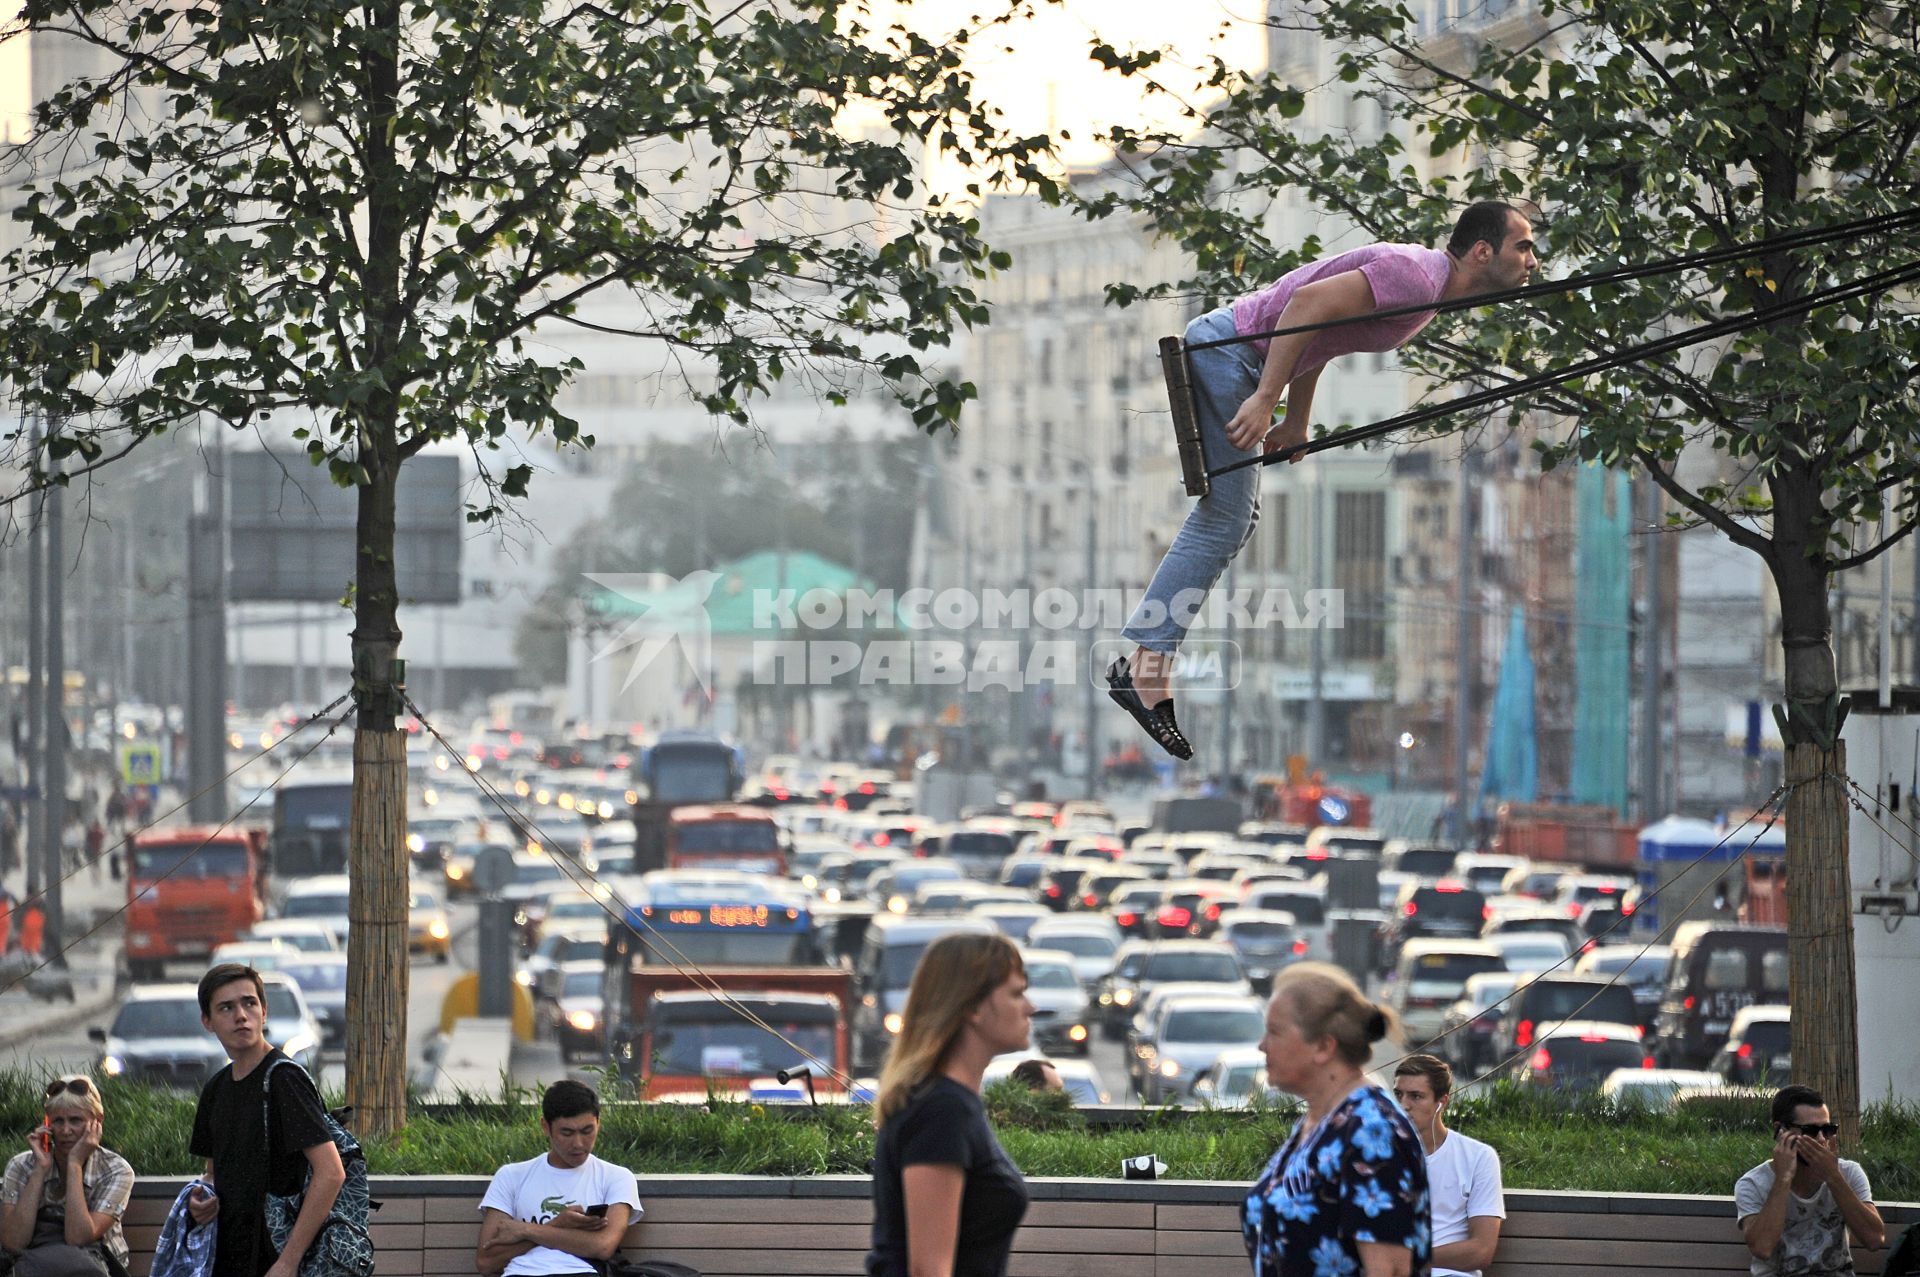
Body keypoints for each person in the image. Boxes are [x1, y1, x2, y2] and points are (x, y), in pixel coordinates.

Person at [1108, 203, 1540, 758]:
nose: (1532, 260)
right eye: (1523, 246)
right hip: (1230, 356)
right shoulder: (1415, 276)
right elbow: (1305, 308)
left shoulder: (1427, 288)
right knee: (1223, 522)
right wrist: (1267, 397)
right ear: (1483, 251)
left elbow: (1322, 337)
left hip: (1239, 356)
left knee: (1238, 522)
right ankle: (1145, 671)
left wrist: (1295, 419)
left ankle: (1145, 667)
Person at [1244, 962, 1431, 1277]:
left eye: (1274, 1031)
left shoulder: (1372, 1132)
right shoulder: (1320, 1120)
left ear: (1323, 1046)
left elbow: (1391, 1271)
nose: (1262, 1045)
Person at [867, 932, 1032, 1277]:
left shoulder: (953, 1102)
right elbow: (929, 1271)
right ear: (972, 1006)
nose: (1029, 1007)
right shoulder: (942, 1110)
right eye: (1016, 994)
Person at [186, 963, 346, 1277]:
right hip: (229, 1256)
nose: (241, 1015)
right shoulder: (216, 1089)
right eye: (226, 1007)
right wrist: (202, 1198)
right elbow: (214, 1173)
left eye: (249, 1003)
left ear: (264, 1011)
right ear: (208, 1021)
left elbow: (331, 1173)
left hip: (277, 1257)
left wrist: (287, 1261)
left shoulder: (284, 1080)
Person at [474, 1080, 641, 1277]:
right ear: (546, 1127)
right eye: (567, 1133)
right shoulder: (511, 1176)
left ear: (598, 1123)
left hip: (581, 1272)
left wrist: (526, 1230)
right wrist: (559, 1225)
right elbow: (486, 1261)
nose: (578, 1144)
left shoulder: (616, 1177)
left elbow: (603, 1247)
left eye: (587, 1131)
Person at [1736, 1084, 1884, 1276]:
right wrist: (1783, 1179)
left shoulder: (1848, 1173)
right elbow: (1762, 1248)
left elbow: (1874, 1240)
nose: (1822, 1140)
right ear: (1780, 1130)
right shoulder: (1753, 1183)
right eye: (1811, 1131)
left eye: (1828, 1129)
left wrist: (1833, 1177)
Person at [0, 1076, 135, 1277]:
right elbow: (13, 1242)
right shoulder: (21, 1165)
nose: (65, 1130)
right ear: (47, 1123)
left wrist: (74, 1165)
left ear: (97, 1122)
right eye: (57, 1121)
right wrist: (40, 1170)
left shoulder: (115, 1169)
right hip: (33, 1264)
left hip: (94, 1265)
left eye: (76, 1120)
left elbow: (78, 1238)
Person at [1391, 1056, 1502, 1277]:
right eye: (1398, 1095)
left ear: (1442, 1102)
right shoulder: (1376, 1156)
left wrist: (1412, 1258)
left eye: (1416, 1096)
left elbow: (1482, 1251)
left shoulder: (1477, 1157)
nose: (1403, 1105)